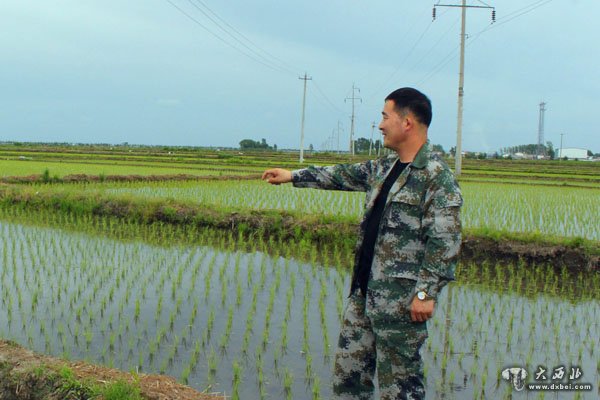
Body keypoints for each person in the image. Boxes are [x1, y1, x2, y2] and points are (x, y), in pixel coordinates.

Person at [262, 87, 462, 400]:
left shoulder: (436, 177)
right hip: (363, 295)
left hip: (401, 305)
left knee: (400, 389)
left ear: (407, 122)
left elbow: (445, 241)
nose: (380, 125)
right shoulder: (384, 168)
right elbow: (341, 175)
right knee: (348, 381)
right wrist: (292, 175)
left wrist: (425, 294)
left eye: (385, 116)